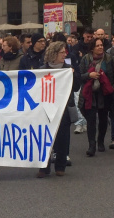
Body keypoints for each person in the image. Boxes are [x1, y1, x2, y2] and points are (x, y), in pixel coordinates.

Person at [36, 41, 81, 178]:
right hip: (46, 108)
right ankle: (44, 167)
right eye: (62, 52)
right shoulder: (42, 69)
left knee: (62, 138)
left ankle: (60, 166)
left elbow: (77, 87)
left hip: (63, 109)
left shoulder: (68, 68)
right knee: (44, 138)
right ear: (54, 54)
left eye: (64, 52)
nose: (64, 54)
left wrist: (74, 75)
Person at [78, 38, 114, 157]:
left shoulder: (109, 59)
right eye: (97, 45)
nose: (100, 47)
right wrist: (89, 75)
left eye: (101, 45)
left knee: (103, 119)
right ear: (92, 48)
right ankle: (91, 146)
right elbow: (79, 76)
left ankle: (101, 142)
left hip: (104, 94)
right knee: (91, 120)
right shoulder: (85, 59)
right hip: (90, 95)